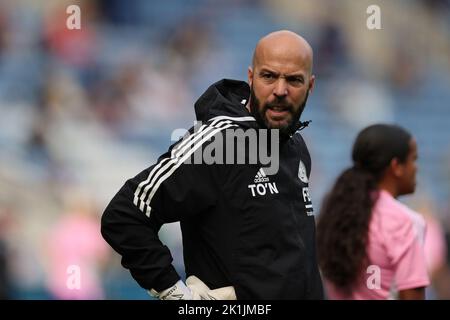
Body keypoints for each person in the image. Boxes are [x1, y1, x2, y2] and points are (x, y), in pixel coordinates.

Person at [101, 30, 324, 300]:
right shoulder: (220, 141)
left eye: (293, 80)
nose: (280, 90)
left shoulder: (296, 145)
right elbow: (124, 215)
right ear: (251, 78)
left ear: (310, 86)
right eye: (269, 76)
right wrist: (176, 293)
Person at [316, 124, 430, 300]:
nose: (416, 168)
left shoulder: (337, 214)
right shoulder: (405, 221)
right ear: (396, 167)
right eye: (413, 160)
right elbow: (412, 295)